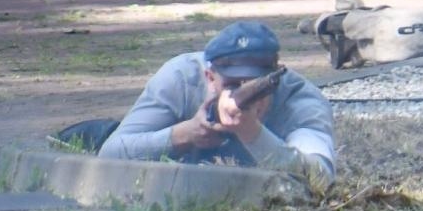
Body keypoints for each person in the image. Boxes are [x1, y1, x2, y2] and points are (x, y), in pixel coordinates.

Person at [98, 21, 337, 194]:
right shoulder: (181, 78)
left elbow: (321, 178)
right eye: (232, 84)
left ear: (276, 77)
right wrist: (182, 135)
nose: (245, 95)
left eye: (256, 87)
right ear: (210, 77)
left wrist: (252, 133)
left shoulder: (301, 100)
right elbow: (110, 154)